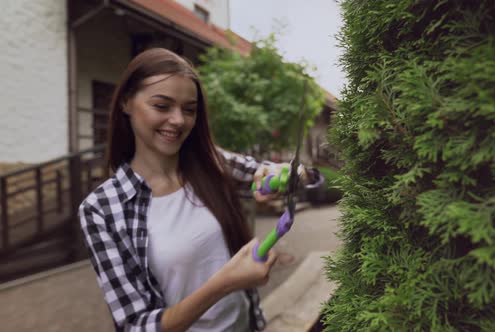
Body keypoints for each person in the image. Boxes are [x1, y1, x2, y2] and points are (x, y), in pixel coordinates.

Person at [78, 48, 319, 332]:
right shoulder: (101, 209)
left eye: (189, 109)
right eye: (162, 106)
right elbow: (136, 325)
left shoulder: (210, 162)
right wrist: (226, 282)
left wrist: (288, 175)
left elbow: (302, 175)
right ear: (127, 102)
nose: (178, 120)